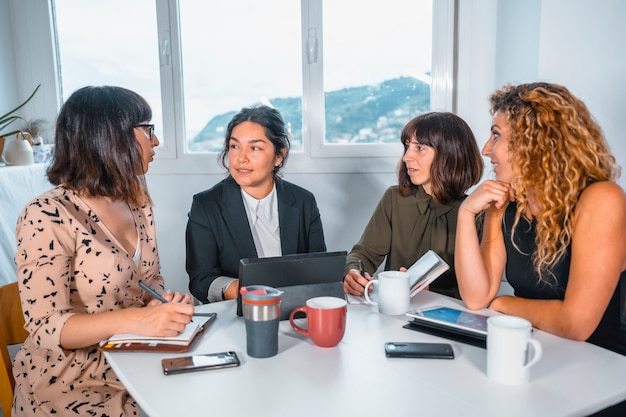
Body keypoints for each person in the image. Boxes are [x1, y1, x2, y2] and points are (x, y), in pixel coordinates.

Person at [12, 86, 194, 417]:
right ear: (111, 136)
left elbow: (147, 279)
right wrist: (139, 319)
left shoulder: (136, 198)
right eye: (148, 129)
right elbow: (47, 328)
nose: (156, 141)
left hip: (133, 359)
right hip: (71, 381)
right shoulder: (46, 214)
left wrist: (159, 303)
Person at [455, 82, 626, 356]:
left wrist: (502, 304)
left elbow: (576, 324)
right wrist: (465, 214)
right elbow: (476, 298)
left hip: (598, 364)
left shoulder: (602, 198)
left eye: (496, 135)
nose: (487, 149)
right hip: (533, 350)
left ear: (534, 141)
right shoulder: (504, 203)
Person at [186, 105, 326, 303]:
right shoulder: (206, 205)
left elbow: (319, 271)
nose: (241, 158)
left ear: (279, 156)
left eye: (255, 148)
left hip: (295, 311)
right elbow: (200, 280)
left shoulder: (304, 201)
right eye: (235, 146)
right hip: (238, 315)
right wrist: (236, 288)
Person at [343, 112, 484, 299]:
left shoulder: (477, 214)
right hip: (395, 315)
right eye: (407, 146)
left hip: (449, 319)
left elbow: (479, 291)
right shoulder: (394, 198)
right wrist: (353, 272)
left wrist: (431, 293)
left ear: (450, 153)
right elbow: (365, 253)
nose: (406, 157)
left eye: (419, 148)